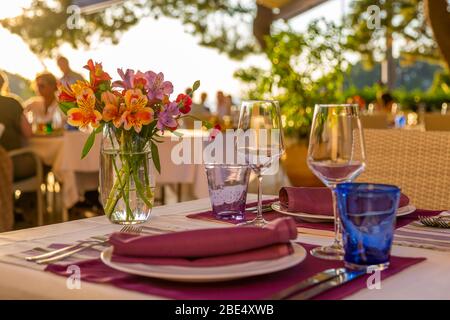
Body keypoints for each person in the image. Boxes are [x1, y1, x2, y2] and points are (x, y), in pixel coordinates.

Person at [0, 72, 35, 182]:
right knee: (43, 163)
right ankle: (29, 198)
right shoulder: (12, 103)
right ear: (2, 84)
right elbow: (28, 133)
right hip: (11, 162)